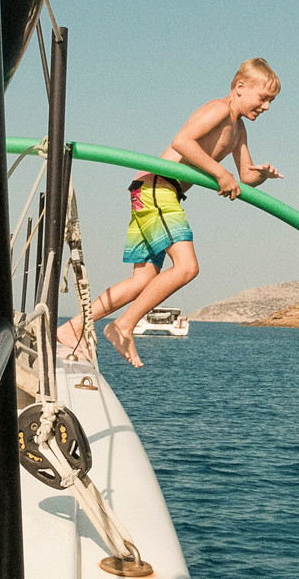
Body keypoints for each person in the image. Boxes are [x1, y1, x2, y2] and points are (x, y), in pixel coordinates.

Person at [57, 58, 283, 367]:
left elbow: (244, 176)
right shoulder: (218, 110)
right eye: (264, 98)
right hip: (157, 187)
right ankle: (123, 326)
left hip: (155, 191)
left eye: (271, 101)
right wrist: (220, 173)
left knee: (143, 280)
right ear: (241, 88)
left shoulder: (239, 130)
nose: (267, 106)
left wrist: (263, 175)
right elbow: (183, 141)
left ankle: (72, 328)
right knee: (187, 267)